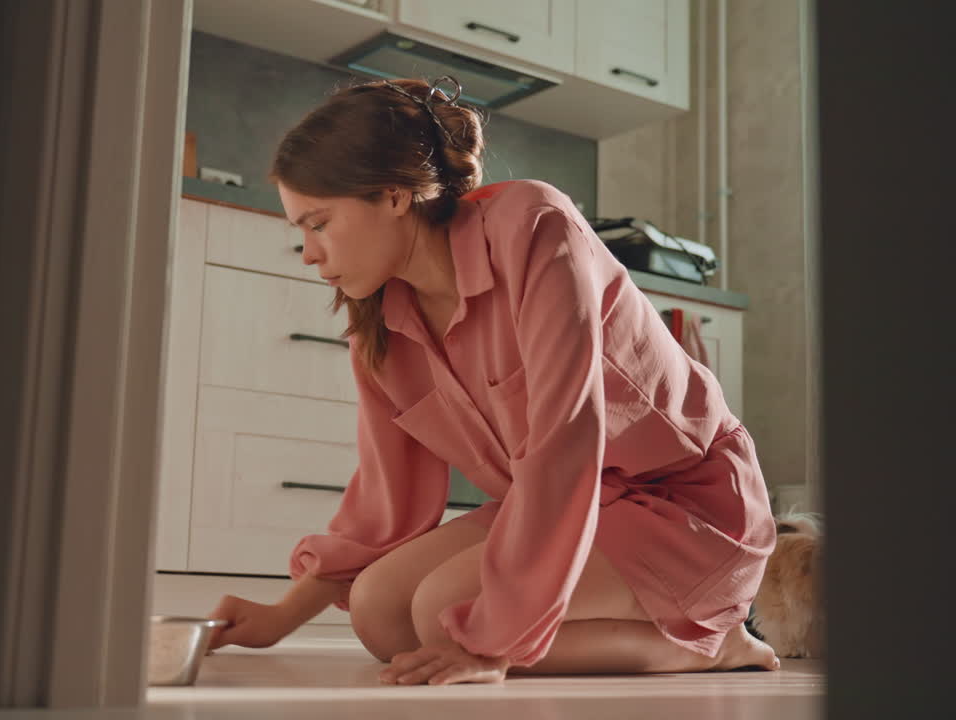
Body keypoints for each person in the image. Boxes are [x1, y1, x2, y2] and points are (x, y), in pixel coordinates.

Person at [205, 76, 780, 686]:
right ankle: (632, 632)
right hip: (566, 506)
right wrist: (280, 616)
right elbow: (386, 498)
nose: (308, 253)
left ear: (394, 196)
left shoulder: (533, 226)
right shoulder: (382, 322)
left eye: (318, 224)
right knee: (378, 612)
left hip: (690, 508)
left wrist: (494, 641)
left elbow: (565, 445)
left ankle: (709, 645)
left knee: (442, 615)